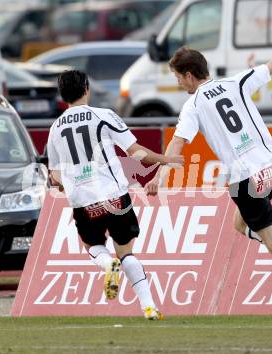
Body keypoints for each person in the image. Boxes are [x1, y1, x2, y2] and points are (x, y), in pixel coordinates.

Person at [145, 30, 272, 315]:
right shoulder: (237, 82)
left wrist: (159, 175)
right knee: (239, 222)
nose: (178, 83)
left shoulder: (193, 105)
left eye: (178, 77)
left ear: (189, 75)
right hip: (269, 168)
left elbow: (178, 143)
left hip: (244, 178)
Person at [47, 70, 184, 320]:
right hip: (114, 196)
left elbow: (55, 177)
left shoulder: (55, 128)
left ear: (62, 94)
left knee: (94, 247)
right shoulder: (103, 116)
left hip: (83, 201)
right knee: (127, 253)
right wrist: (167, 159)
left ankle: (107, 264)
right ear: (86, 89)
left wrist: (62, 184)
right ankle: (149, 307)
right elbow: (135, 152)